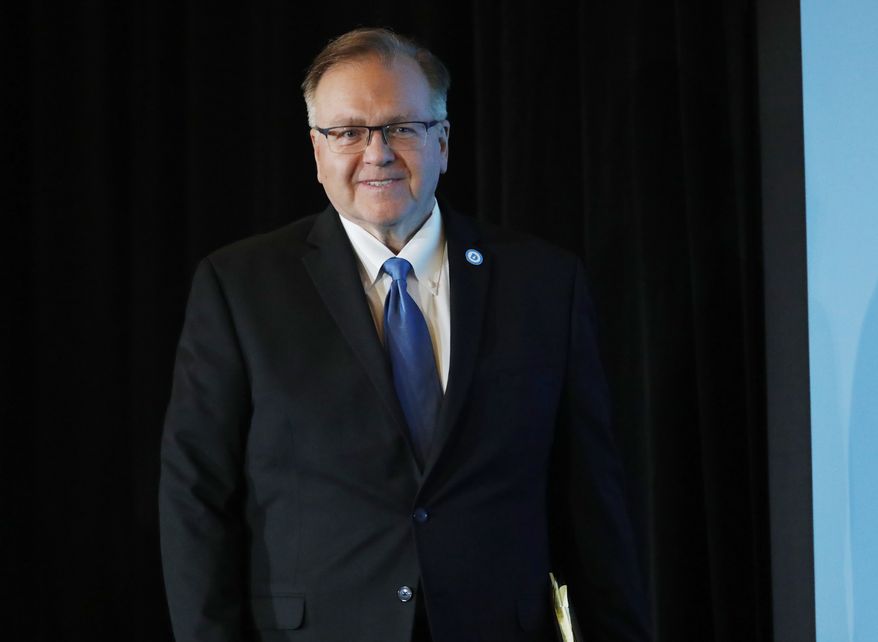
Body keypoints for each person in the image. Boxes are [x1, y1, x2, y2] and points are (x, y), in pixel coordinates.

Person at [159, 27, 651, 642]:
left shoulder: (544, 284)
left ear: (442, 141)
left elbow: (591, 500)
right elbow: (196, 496)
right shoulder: (240, 286)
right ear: (317, 151)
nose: (377, 153)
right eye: (348, 133)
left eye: (401, 128)